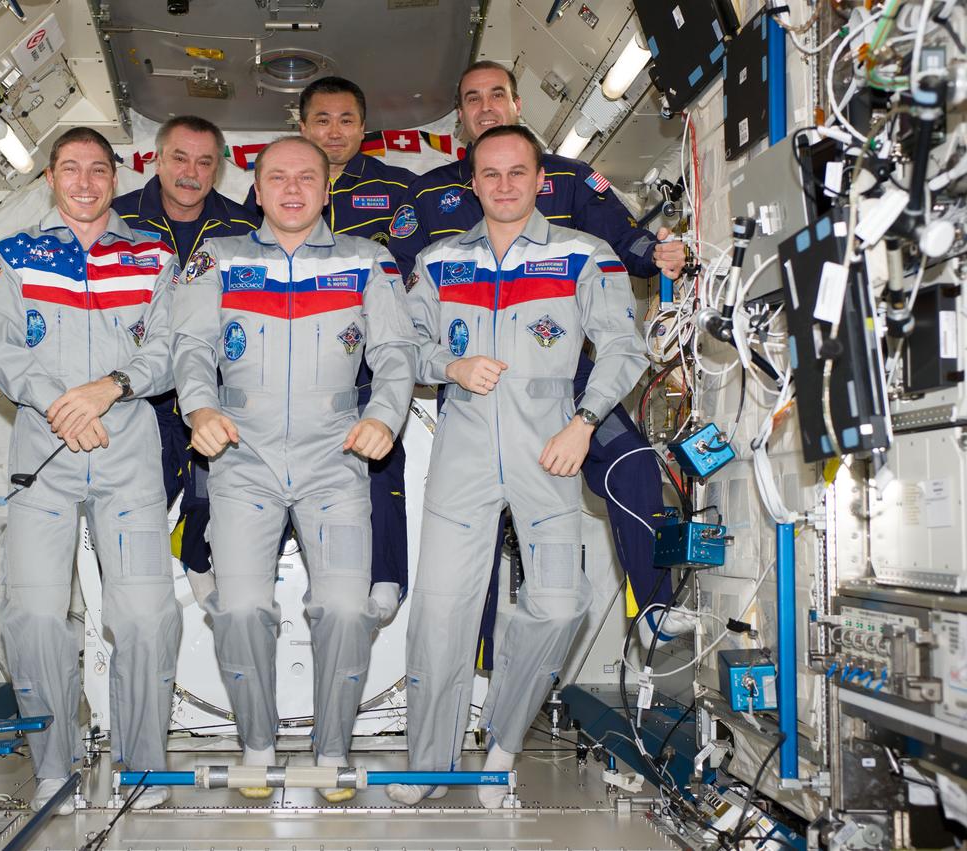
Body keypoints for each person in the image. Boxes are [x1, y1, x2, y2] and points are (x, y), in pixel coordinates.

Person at [389, 60, 695, 654]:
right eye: (472, 98)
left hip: (560, 375)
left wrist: (659, 254)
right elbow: (399, 283)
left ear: (517, 105)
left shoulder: (569, 180)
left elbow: (622, 239)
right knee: (471, 522)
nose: (485, 107)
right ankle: (476, 646)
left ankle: (652, 607)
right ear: (459, 119)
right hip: (473, 379)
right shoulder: (426, 195)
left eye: (497, 95)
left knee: (631, 464)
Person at [388, 125, 648, 808]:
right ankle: (429, 765)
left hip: (549, 451)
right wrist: (450, 364)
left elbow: (625, 346)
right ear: (471, 183)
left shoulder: (582, 254)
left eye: (517, 173)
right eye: (490, 174)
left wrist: (585, 422)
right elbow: (403, 347)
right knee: (440, 613)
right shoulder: (441, 260)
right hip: (464, 455)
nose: (504, 185)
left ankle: (503, 741)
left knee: (562, 603)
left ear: (540, 181)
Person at [171, 136, 417, 802]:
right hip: (241, 460)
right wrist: (199, 408)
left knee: (344, 606)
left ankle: (330, 749)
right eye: (276, 177)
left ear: (325, 188)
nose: (291, 188)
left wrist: (385, 418)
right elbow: (189, 347)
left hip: (335, 462)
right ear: (256, 189)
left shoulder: (368, 261)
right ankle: (257, 741)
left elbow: (397, 354)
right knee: (242, 605)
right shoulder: (218, 259)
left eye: (306, 176)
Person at [0, 127, 182, 814]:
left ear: (115, 178)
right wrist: (66, 406)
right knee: (32, 615)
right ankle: (55, 767)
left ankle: (144, 764)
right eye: (71, 168)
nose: (86, 182)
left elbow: (171, 344)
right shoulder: (11, 257)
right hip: (44, 454)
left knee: (147, 615)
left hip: (128, 455)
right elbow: (0, 351)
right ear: (50, 178)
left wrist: (110, 387)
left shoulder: (152, 256)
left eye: (98, 169)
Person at [244, 76, 418, 616]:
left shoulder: (396, 191)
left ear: (364, 128)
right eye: (321, 119)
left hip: (367, 362)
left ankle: (385, 576)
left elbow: (408, 276)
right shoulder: (271, 189)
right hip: (295, 364)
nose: (334, 131)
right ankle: (249, 577)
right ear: (302, 125)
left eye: (346, 120)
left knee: (383, 457)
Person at [113, 116, 258, 592]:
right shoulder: (118, 221)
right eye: (179, 157)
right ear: (156, 158)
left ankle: (195, 551)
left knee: (215, 480)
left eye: (204, 161)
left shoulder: (244, 226)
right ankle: (137, 588)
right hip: (140, 385)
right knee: (139, 499)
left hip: (213, 380)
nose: (190, 172)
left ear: (218, 169)